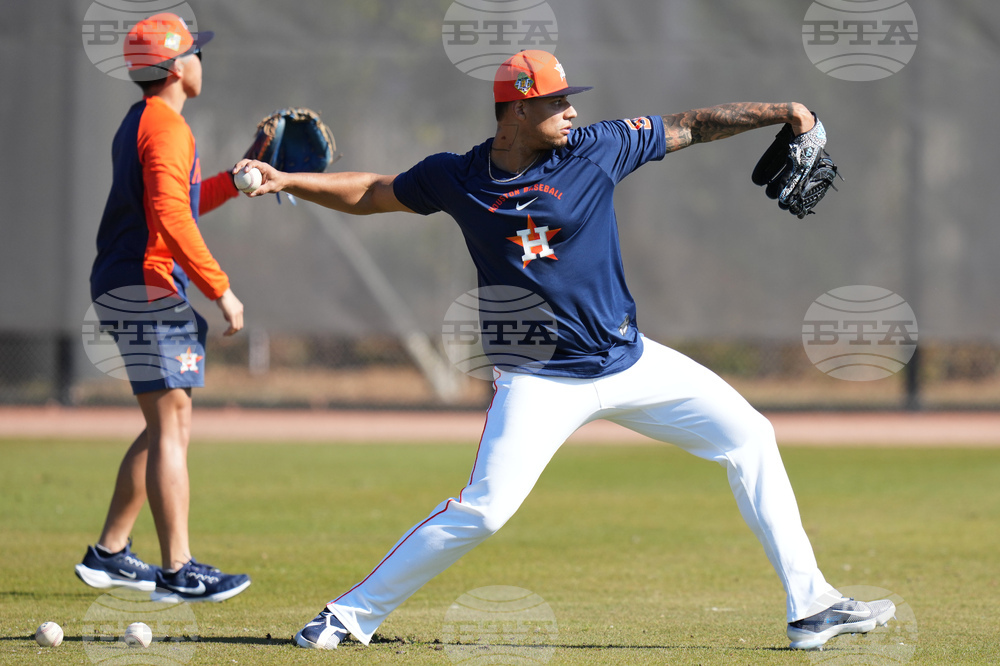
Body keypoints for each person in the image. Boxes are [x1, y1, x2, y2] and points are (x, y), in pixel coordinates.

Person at [236, 50, 893, 649]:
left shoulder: (598, 148)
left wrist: (787, 111)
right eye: (556, 101)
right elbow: (374, 192)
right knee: (485, 511)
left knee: (750, 436)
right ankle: (348, 616)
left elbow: (690, 125)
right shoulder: (458, 177)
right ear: (517, 110)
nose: (571, 110)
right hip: (538, 380)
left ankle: (811, 605)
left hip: (629, 361)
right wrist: (286, 179)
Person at [75, 12, 250, 603]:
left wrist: (239, 176)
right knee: (171, 425)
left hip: (129, 281)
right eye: (195, 52)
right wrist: (220, 288)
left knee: (164, 425)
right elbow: (173, 217)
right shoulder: (167, 128)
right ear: (176, 67)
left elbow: (182, 199)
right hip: (147, 287)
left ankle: (110, 553)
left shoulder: (142, 121)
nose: (201, 61)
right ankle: (179, 571)